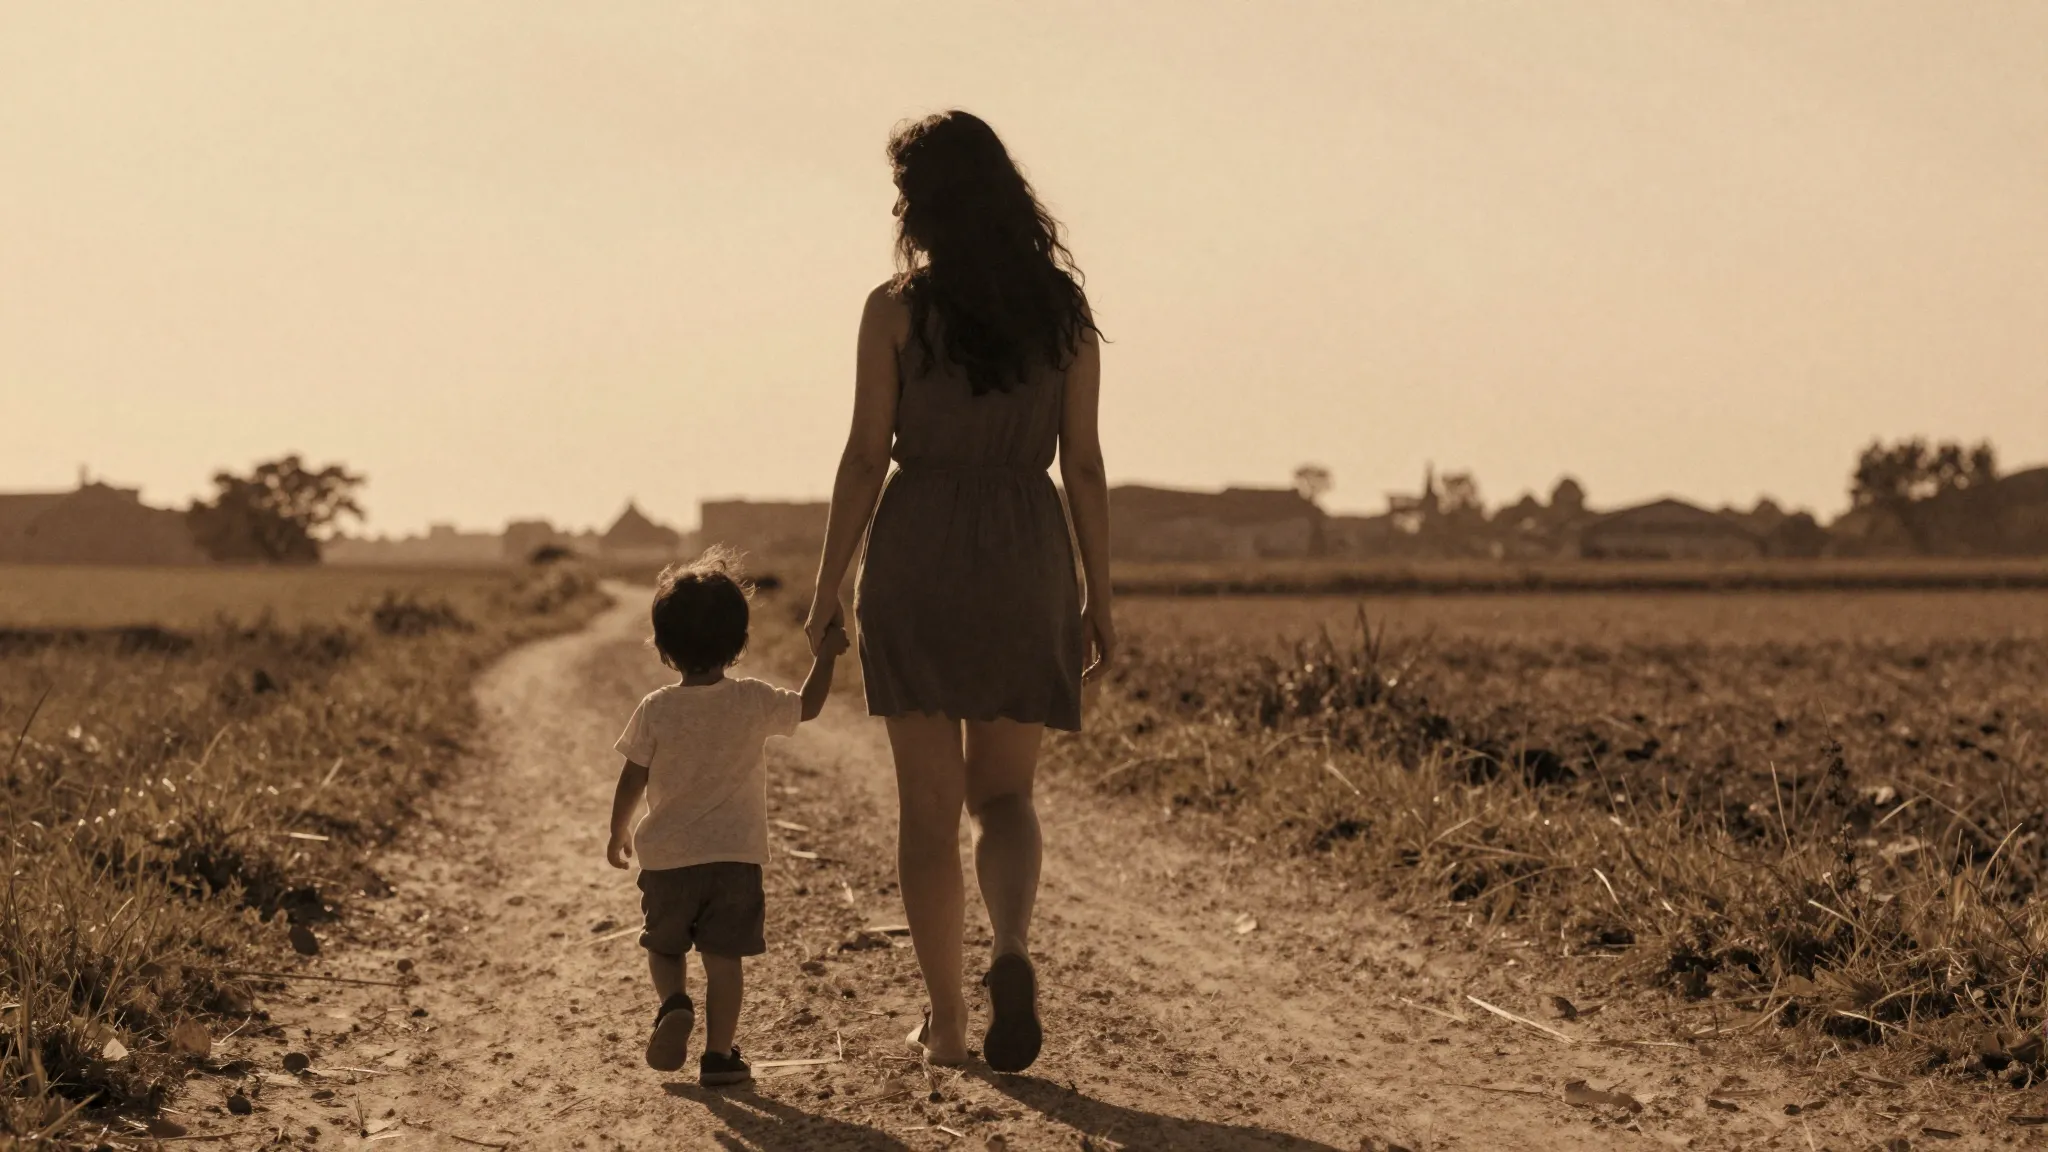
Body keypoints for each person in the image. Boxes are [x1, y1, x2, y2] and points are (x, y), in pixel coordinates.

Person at [803, 110, 1114, 1073]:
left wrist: (827, 587)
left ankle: (945, 1023)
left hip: (919, 553)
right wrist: (1100, 599)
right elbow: (1084, 464)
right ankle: (1010, 948)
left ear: (921, 205)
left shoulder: (893, 310)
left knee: (927, 817)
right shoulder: (1062, 312)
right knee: (1007, 795)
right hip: (1027, 553)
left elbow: (865, 457)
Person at [605, 549, 849, 1085]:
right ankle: (718, 1057)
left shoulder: (656, 708)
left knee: (663, 946)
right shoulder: (752, 700)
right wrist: (828, 656)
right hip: (735, 859)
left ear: (663, 646)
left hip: (667, 860)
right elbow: (807, 706)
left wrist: (618, 831)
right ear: (740, 643)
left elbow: (631, 778)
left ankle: (674, 1003)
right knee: (723, 962)